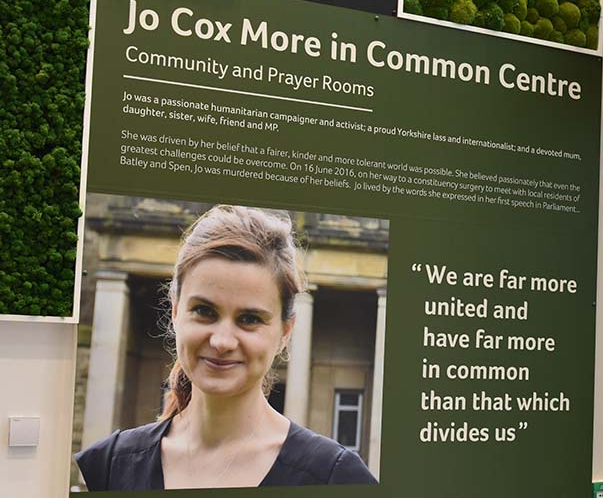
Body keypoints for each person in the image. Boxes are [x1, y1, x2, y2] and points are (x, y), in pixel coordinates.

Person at [75, 205, 377, 491]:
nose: (222, 342)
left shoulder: (334, 477)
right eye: (205, 311)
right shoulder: (111, 465)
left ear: (285, 333)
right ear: (176, 312)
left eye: (249, 319)